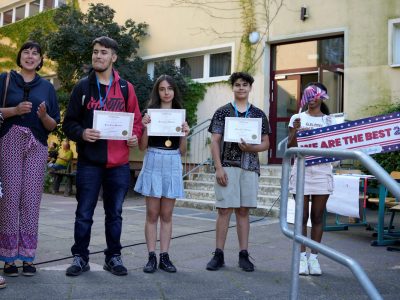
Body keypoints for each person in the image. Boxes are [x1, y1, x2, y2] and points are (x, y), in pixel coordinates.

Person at [62, 36, 143, 277]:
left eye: (104, 52)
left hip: (118, 164)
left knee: (115, 214)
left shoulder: (127, 88)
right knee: (84, 213)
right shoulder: (82, 87)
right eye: (95, 51)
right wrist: (82, 132)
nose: (98, 56)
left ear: (113, 57)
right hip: (89, 162)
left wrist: (134, 136)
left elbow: (136, 121)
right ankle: (80, 257)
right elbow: (69, 123)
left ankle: (113, 256)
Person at [0, 41, 60, 277]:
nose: (30, 56)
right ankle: (7, 258)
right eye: (26, 52)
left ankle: (27, 256)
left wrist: (44, 115)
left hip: (37, 145)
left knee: (31, 203)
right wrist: (14, 111)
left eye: (36, 53)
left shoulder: (47, 87)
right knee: (9, 201)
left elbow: (53, 124)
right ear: (20, 56)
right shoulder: (5, 79)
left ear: (40, 60)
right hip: (9, 142)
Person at [206, 72, 270, 272]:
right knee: (224, 210)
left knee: (243, 211)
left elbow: (266, 143)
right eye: (237, 85)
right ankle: (218, 254)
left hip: (249, 167)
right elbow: (215, 141)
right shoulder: (222, 112)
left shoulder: (259, 114)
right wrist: (218, 167)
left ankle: (244, 254)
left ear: (250, 88)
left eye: (245, 85)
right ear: (232, 88)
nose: (241, 88)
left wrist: (251, 148)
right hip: (227, 166)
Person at [134, 75, 190, 273]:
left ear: (174, 91)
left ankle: (164, 256)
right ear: (157, 92)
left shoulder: (180, 115)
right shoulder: (149, 113)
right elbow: (142, 146)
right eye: (162, 89)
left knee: (166, 214)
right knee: (152, 213)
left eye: (170, 89)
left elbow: (182, 151)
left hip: (172, 161)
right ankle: (151, 256)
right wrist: (145, 127)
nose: (166, 93)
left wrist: (185, 134)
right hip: (153, 159)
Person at [287, 82, 335, 276]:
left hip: (322, 170)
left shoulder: (329, 120)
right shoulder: (297, 117)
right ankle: (301, 258)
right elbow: (290, 147)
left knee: (317, 215)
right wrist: (295, 131)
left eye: (317, 94)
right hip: (301, 169)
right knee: (302, 216)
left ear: (322, 97)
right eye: (309, 93)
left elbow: (334, 146)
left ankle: (314, 258)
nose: (313, 97)